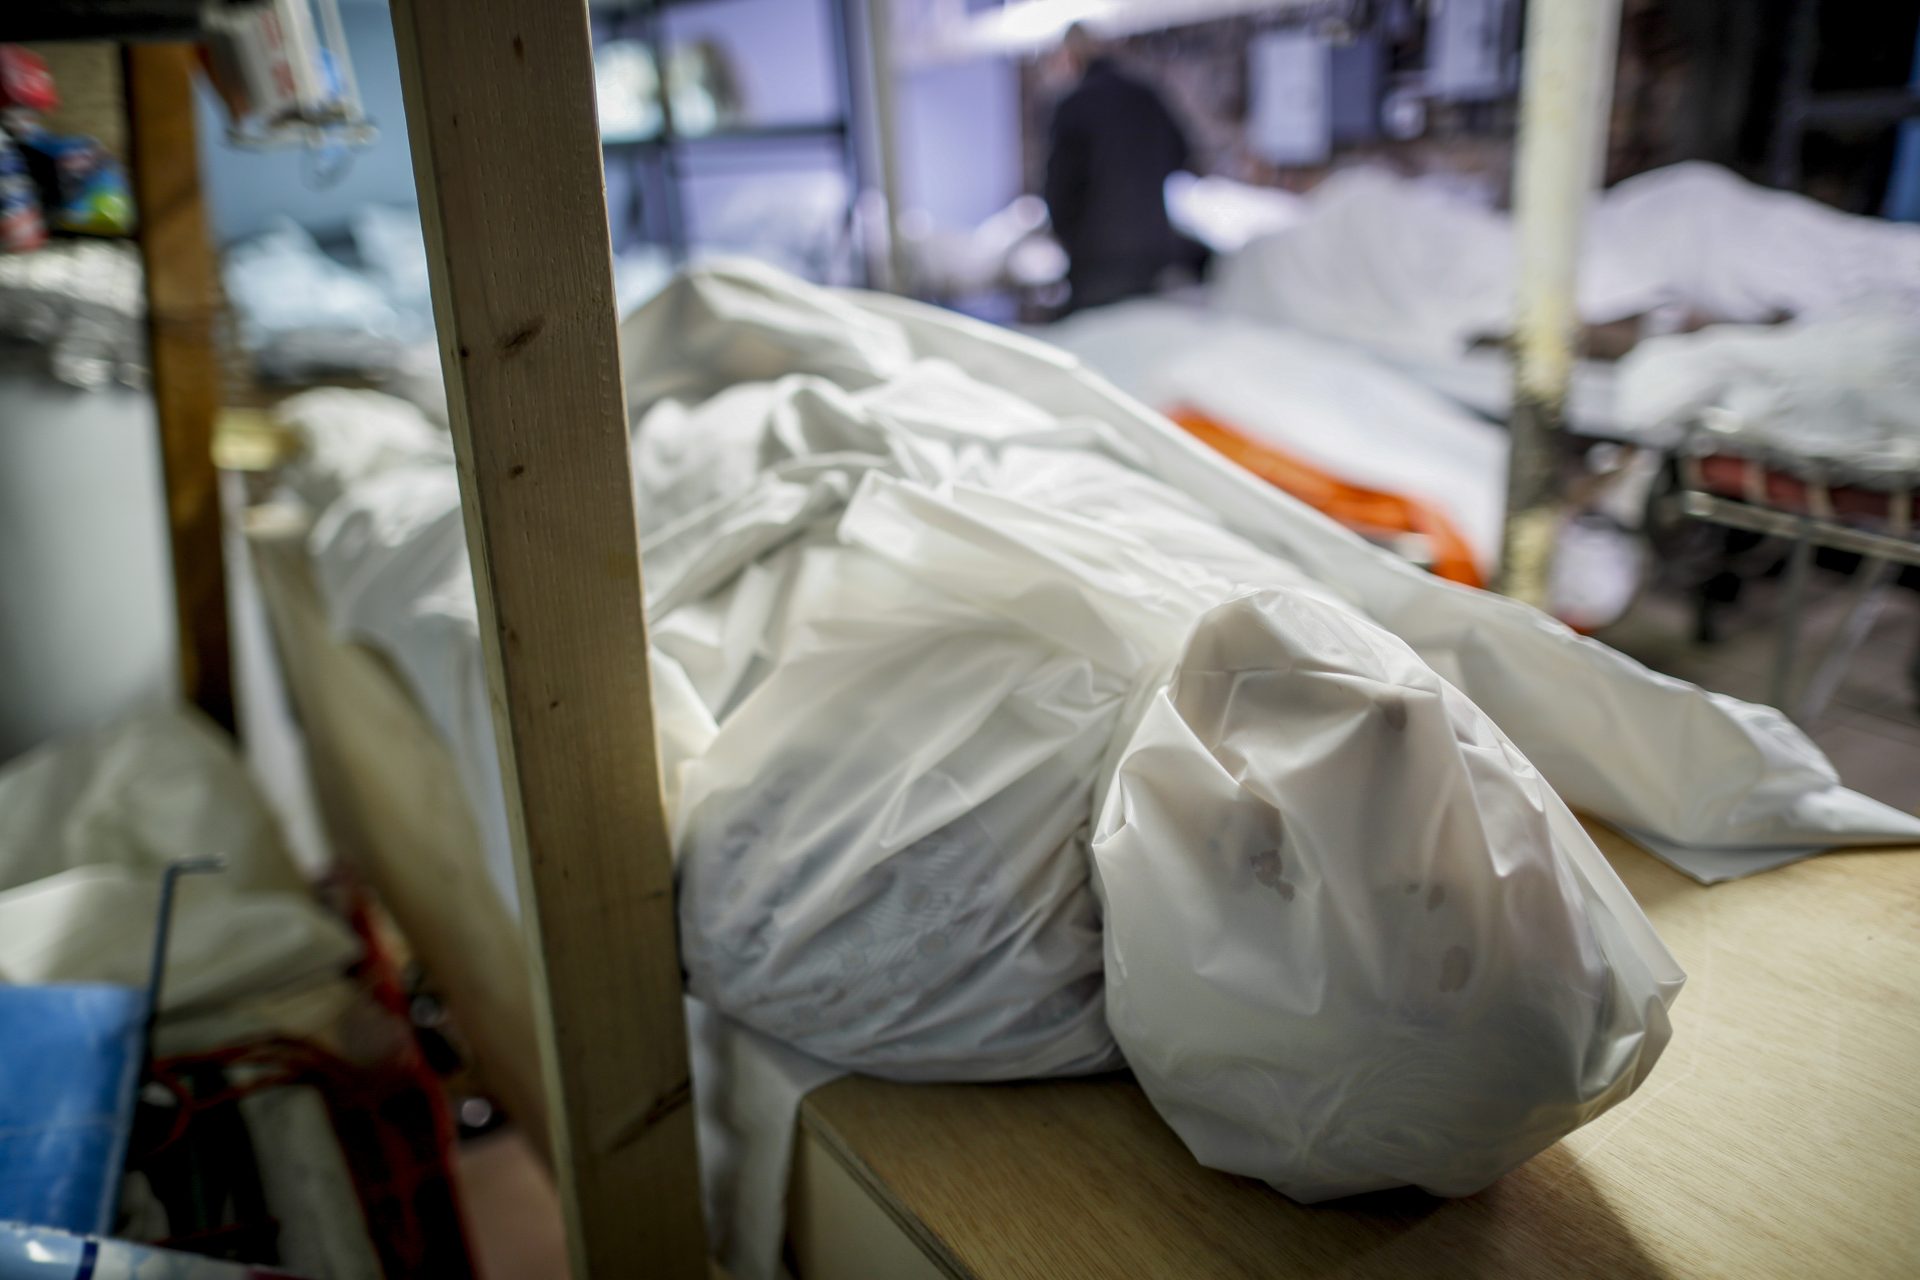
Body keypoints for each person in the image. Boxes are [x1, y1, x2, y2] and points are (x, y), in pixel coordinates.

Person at [1043, 25, 1196, 313]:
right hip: (1152, 250)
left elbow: (1058, 190)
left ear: (1070, 58)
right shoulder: (1147, 96)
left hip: (1097, 256)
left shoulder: (1073, 106)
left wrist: (1069, 239)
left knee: (1101, 343)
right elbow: (1183, 156)